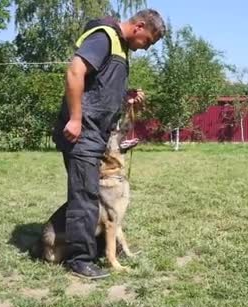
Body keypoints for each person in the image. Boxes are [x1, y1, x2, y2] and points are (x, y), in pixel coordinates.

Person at [51, 9, 166, 280]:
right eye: (147, 42)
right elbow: (74, 72)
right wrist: (76, 119)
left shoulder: (120, 48)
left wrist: (124, 97)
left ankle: (94, 248)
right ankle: (80, 260)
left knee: (89, 194)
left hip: (95, 132)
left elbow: (99, 89)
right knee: (84, 196)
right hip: (82, 132)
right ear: (138, 27)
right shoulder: (105, 37)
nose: (145, 48)